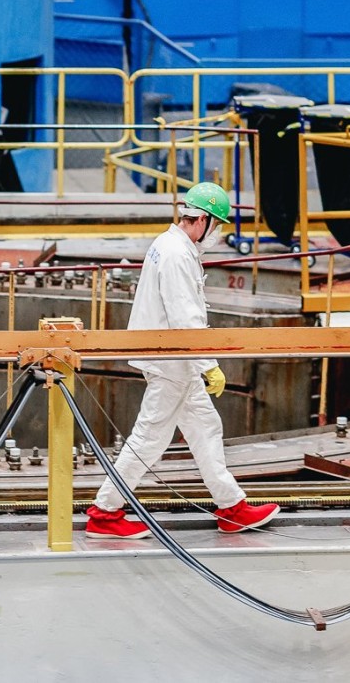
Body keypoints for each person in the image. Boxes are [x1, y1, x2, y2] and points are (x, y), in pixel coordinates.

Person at [85, 181, 280, 539]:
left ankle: (231, 508)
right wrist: (209, 364)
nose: (217, 234)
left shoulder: (169, 244)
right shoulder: (176, 254)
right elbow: (184, 316)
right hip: (172, 362)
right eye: (216, 225)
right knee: (149, 438)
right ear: (202, 220)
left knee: (206, 428)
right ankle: (105, 512)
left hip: (174, 360)